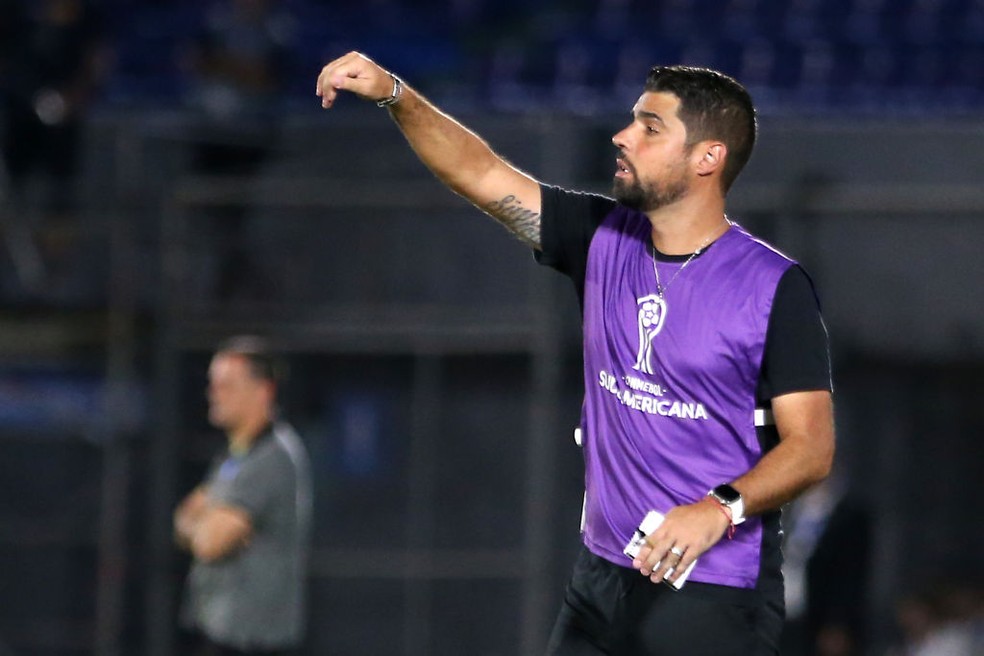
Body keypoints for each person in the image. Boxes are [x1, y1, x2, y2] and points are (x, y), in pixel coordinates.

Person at [316, 51, 835, 655]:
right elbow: (479, 173)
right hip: (600, 582)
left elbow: (811, 447)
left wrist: (719, 509)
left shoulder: (773, 286)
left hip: (714, 594)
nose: (622, 137)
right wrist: (395, 94)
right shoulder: (602, 237)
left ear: (707, 157)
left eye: (649, 127)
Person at [174, 336, 312, 656]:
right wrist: (204, 522)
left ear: (263, 390)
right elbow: (182, 521)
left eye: (227, 385)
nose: (214, 394)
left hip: (251, 644)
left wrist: (204, 519)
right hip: (218, 634)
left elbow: (209, 543)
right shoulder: (234, 455)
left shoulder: (272, 457)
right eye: (213, 384)